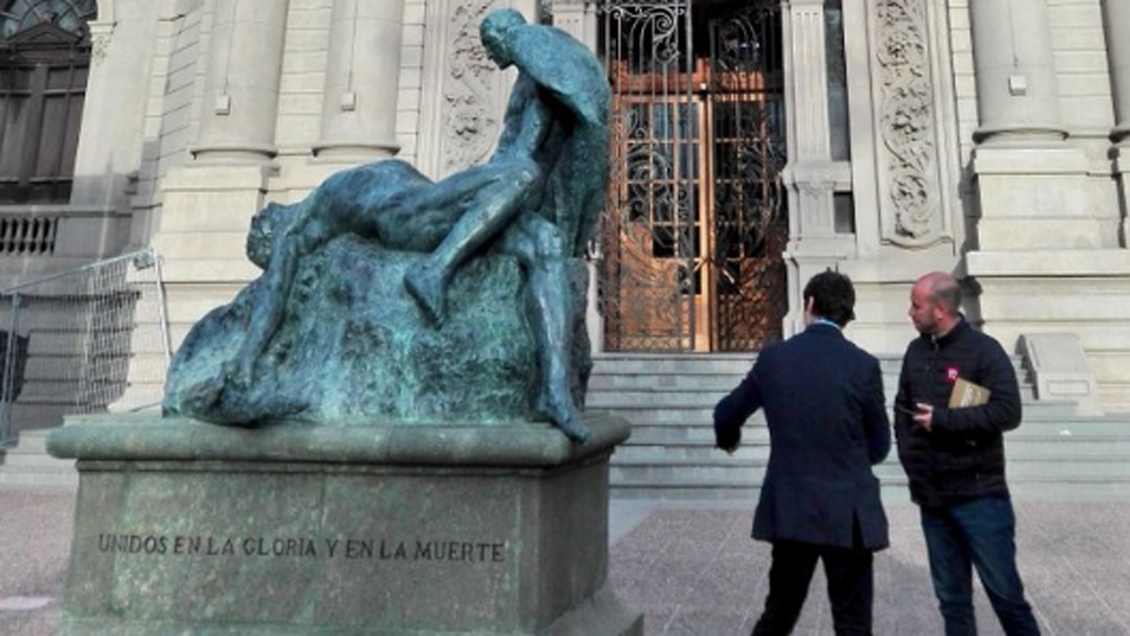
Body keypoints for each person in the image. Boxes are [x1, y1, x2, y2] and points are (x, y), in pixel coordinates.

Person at [180, 8, 609, 444]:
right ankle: (435, 270)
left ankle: (554, 391)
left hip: (440, 203)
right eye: (262, 230)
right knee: (522, 175)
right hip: (417, 217)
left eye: (262, 222)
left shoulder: (321, 197)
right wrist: (246, 360)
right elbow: (271, 300)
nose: (265, 217)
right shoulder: (298, 233)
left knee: (548, 243)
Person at [714, 271, 890, 636]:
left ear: (808, 303)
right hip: (849, 510)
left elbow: (726, 412)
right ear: (846, 314)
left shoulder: (775, 358)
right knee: (853, 621)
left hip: (793, 506)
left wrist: (728, 439)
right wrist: (851, 459)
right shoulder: (864, 366)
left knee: (779, 612)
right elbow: (880, 444)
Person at [895, 271, 1041, 635]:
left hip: (980, 497)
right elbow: (901, 411)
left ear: (940, 309)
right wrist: (913, 465)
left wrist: (945, 421)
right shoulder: (916, 351)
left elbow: (1009, 411)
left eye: (916, 305)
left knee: (1006, 597)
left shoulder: (983, 351)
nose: (910, 312)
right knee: (952, 602)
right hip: (934, 498)